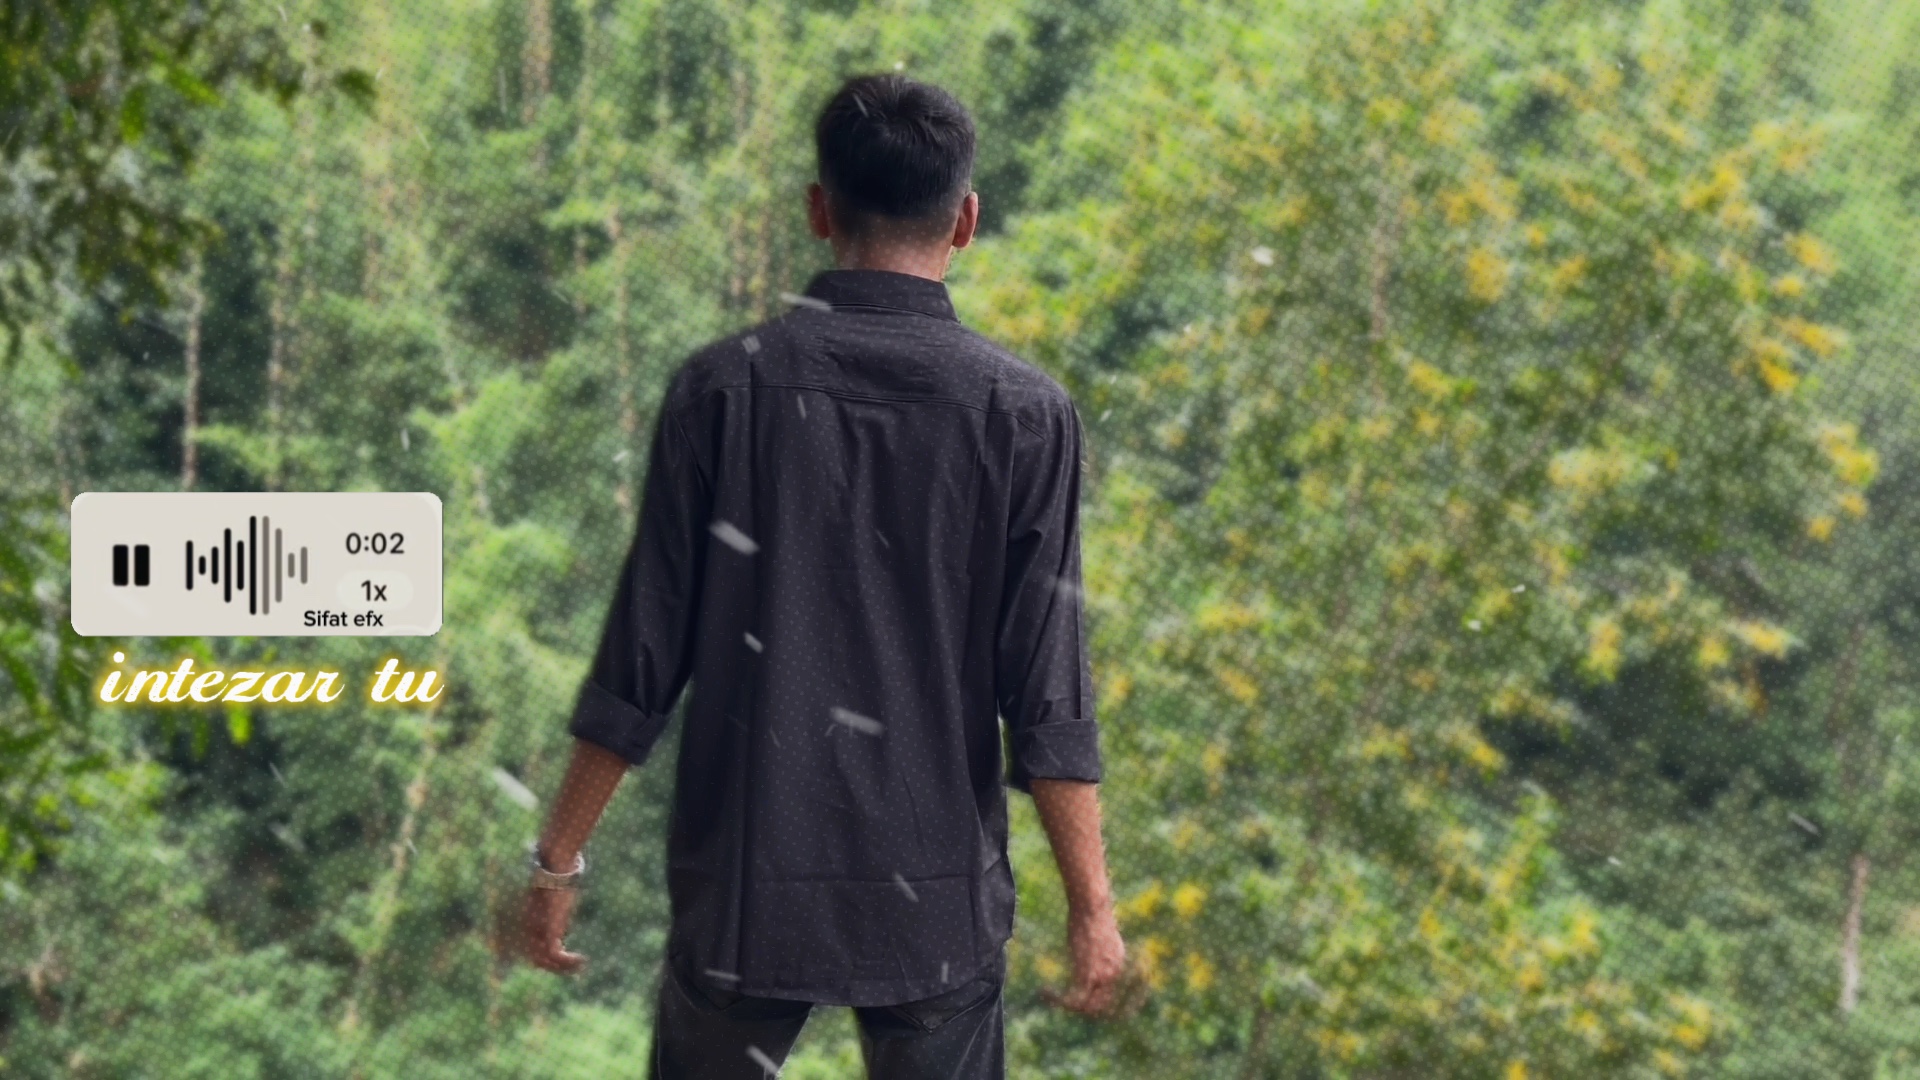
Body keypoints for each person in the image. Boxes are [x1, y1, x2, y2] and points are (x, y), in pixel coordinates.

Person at [520, 71, 1125, 1080]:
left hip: (748, 888)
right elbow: (1047, 690)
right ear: (965, 221)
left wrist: (556, 862)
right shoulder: (1023, 416)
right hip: (935, 902)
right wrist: (1092, 908)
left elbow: (640, 662)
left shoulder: (724, 391)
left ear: (818, 210)